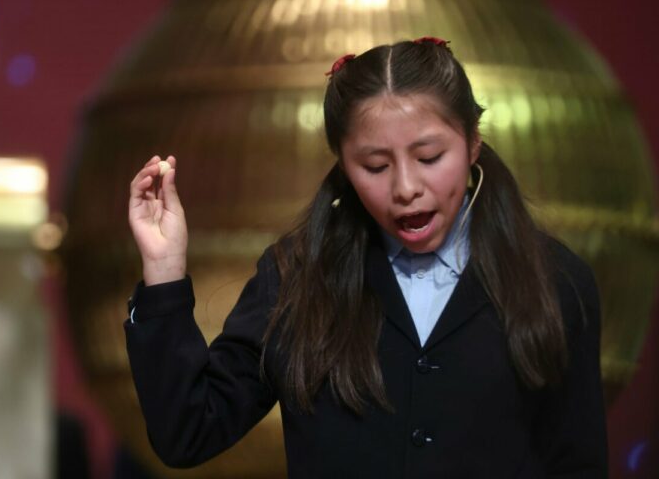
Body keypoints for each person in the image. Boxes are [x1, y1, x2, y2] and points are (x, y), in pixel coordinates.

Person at [125, 38, 608, 478]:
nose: (405, 188)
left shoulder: (556, 281)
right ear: (342, 164)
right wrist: (165, 274)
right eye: (375, 166)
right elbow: (187, 433)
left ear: (473, 142)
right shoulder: (297, 277)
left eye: (430, 157)